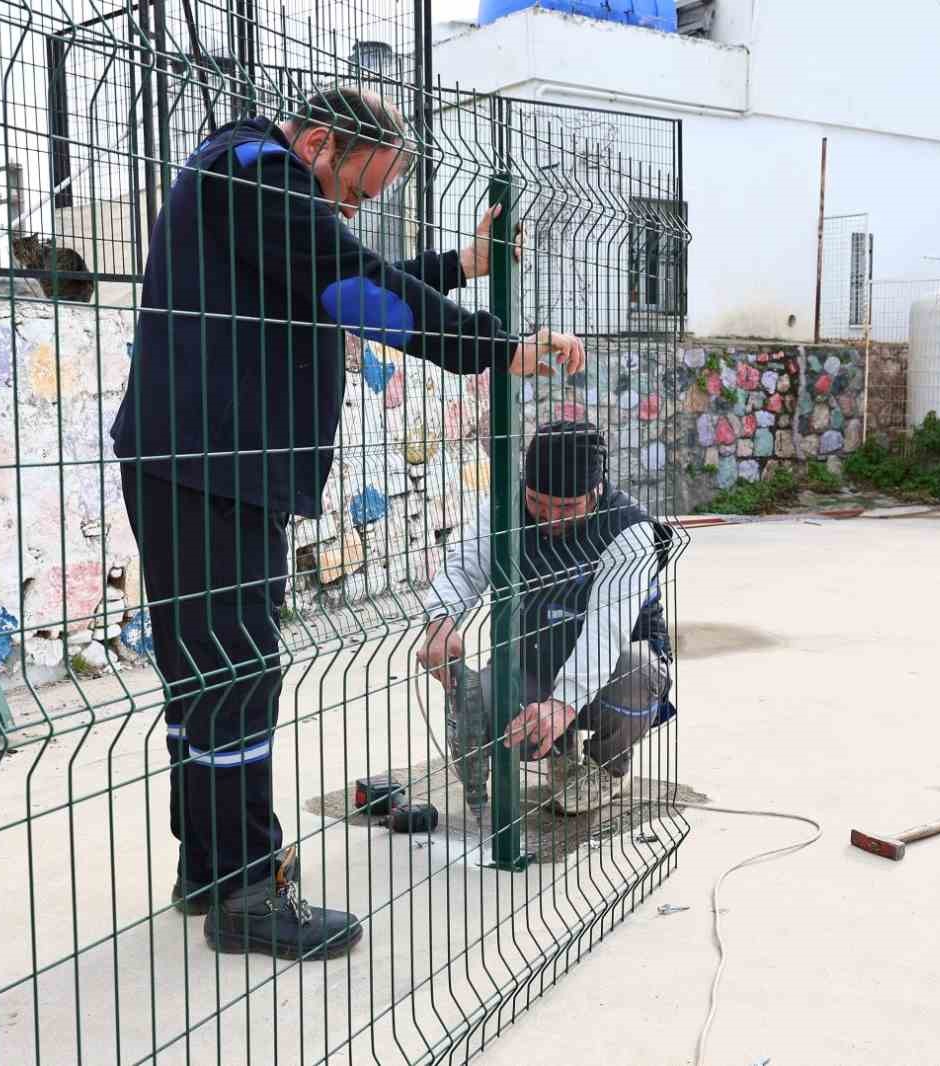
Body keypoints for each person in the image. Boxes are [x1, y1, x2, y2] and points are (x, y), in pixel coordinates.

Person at [111, 86, 586, 962]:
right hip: (215, 468)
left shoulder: (246, 183)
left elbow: (333, 267)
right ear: (319, 146)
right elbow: (352, 281)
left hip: (196, 463)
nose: (352, 208)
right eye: (356, 190)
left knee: (205, 674)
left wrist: (461, 265)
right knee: (239, 673)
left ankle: (210, 867)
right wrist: (496, 347)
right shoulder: (254, 171)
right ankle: (247, 890)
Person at [417, 421, 673, 816]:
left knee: (639, 670)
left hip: (614, 671)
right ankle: (559, 751)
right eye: (537, 501)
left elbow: (606, 629)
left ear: (596, 490)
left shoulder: (630, 530)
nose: (550, 517)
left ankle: (608, 766)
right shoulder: (505, 507)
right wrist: (441, 620)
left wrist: (565, 701)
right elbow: (464, 568)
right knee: (476, 701)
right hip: (534, 662)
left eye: (566, 507)